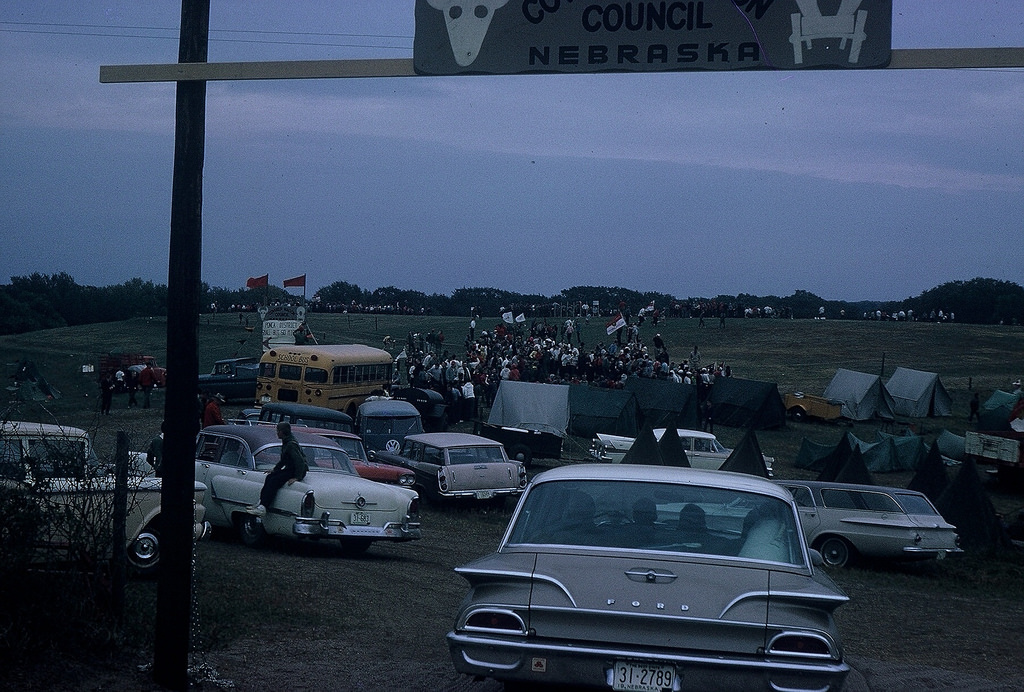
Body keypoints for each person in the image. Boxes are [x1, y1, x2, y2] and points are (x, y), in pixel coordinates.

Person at [247, 422, 308, 516]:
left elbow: (299, 461)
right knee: (270, 477)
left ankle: (264, 507)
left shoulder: (291, 444)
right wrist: (275, 469)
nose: (277, 433)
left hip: (295, 470)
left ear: (282, 432)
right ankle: (261, 502)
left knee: (274, 481)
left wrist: (297, 477)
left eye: (278, 431)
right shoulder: (287, 442)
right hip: (290, 468)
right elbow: (284, 460)